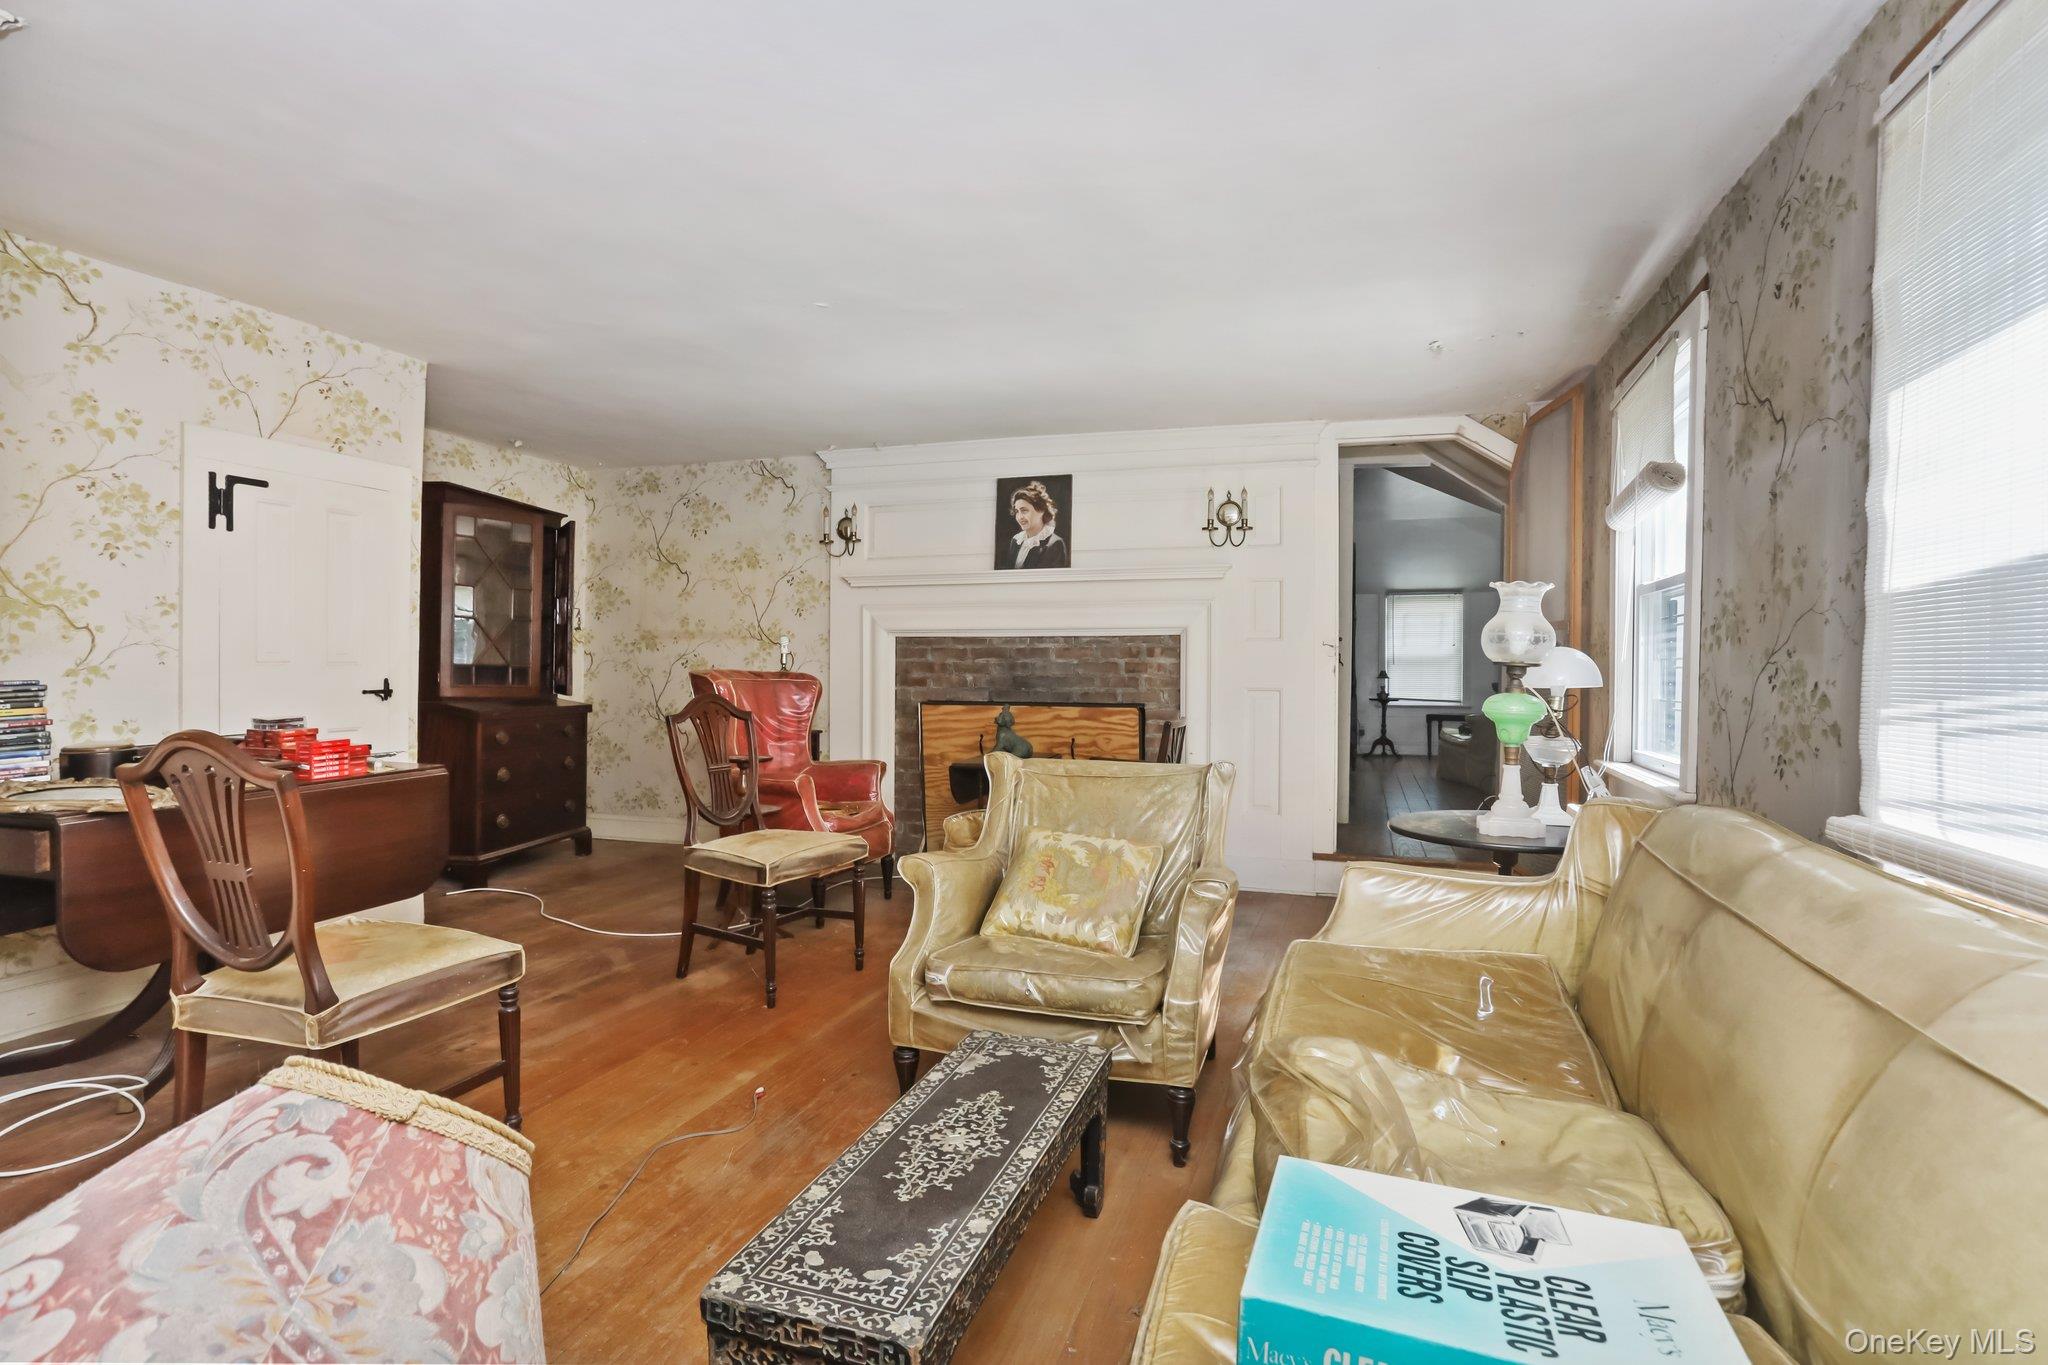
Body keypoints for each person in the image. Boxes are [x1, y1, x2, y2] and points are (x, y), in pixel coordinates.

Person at [1004, 480, 1069, 569]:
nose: (1019, 517)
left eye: (1024, 511)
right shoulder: (1016, 541)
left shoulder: (1055, 544)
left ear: (1041, 510)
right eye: (1017, 511)